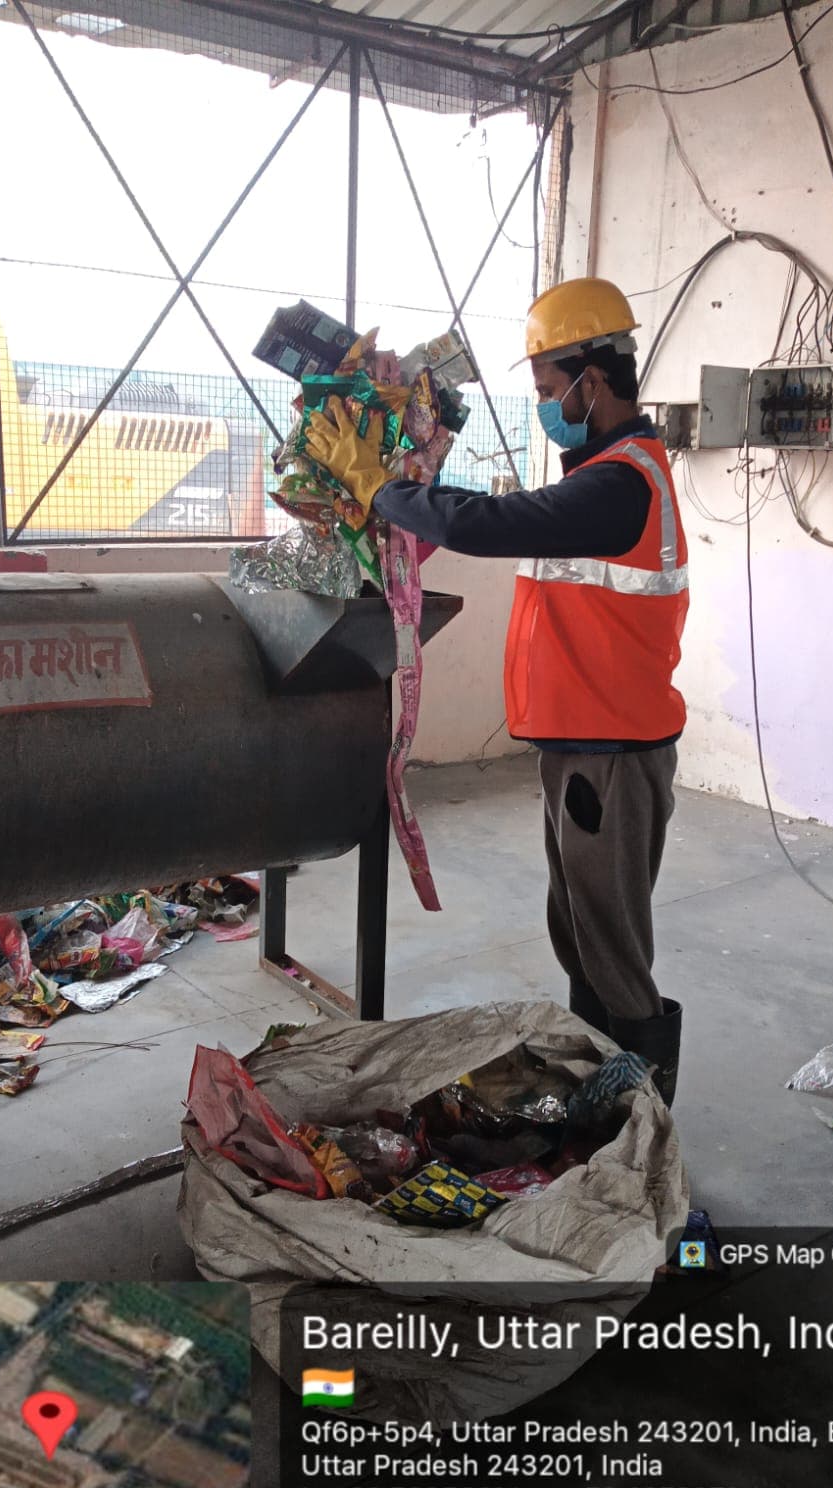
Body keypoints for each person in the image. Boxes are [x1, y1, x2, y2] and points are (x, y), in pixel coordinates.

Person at [303, 278, 689, 1107]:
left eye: (550, 390)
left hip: (612, 755)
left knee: (611, 945)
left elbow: (482, 524)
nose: (547, 406)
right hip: (581, 749)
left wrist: (380, 488)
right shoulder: (600, 480)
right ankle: (600, 1077)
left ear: (593, 378)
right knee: (579, 930)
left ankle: (639, 1117)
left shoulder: (620, 484)